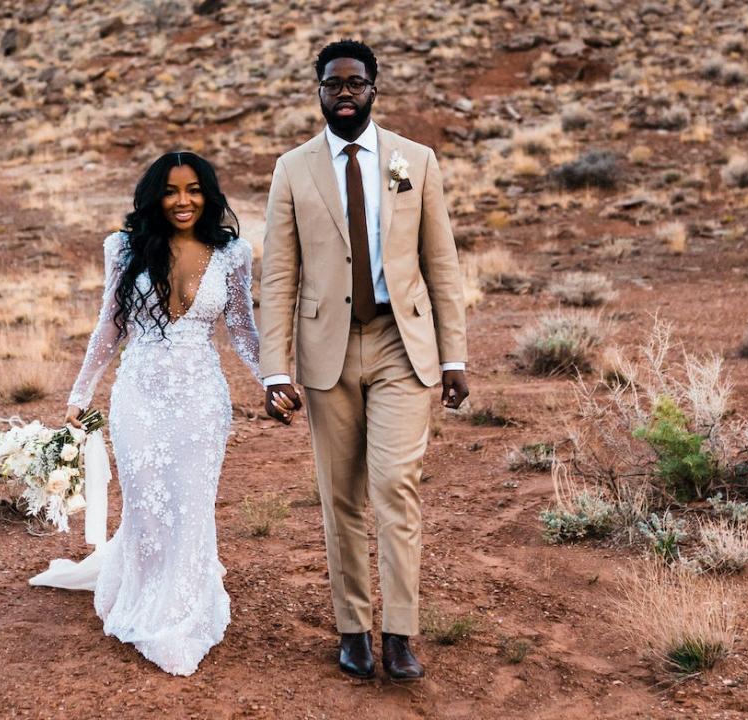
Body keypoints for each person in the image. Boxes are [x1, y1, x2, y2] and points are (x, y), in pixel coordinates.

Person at [258, 40, 469, 681]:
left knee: (394, 488)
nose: (343, 93)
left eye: (354, 83)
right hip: (327, 354)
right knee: (340, 497)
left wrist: (454, 356)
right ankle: (353, 629)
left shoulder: (417, 161)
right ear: (318, 92)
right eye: (332, 84)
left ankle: (400, 633)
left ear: (374, 89)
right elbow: (278, 276)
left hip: (400, 345)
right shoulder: (292, 169)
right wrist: (275, 369)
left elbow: (442, 265)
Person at [30, 151, 282, 677]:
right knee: (146, 502)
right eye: (170, 191)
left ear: (208, 194)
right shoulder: (124, 248)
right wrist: (80, 393)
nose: (183, 200)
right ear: (155, 197)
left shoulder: (233, 254)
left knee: (191, 503)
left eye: (193, 190)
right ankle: (145, 594)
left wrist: (273, 381)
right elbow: (110, 326)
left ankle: (184, 609)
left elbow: (242, 330)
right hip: (138, 396)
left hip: (200, 399)